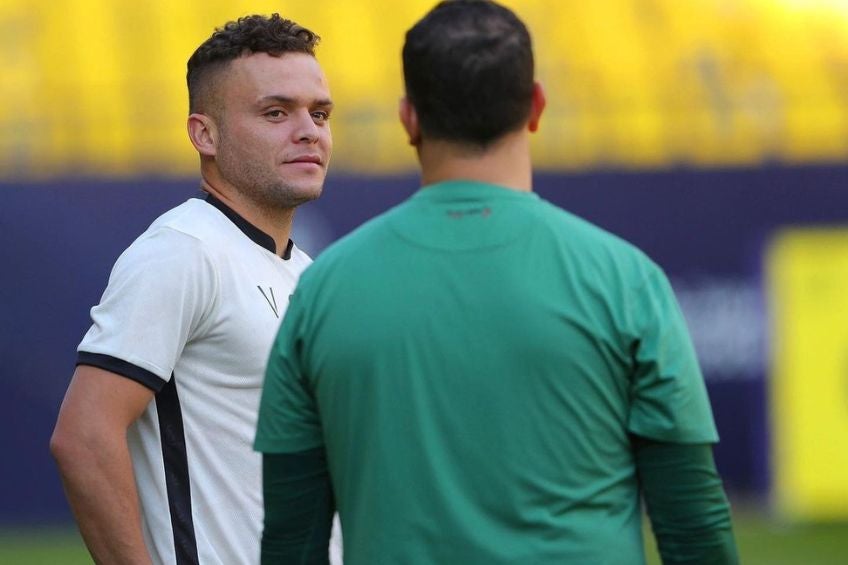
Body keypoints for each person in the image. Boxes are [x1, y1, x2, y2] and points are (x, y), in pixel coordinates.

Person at [253, 1, 740, 564]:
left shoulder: (322, 291)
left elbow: (292, 539)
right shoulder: (626, 279)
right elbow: (693, 524)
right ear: (536, 106)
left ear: (409, 118)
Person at [49, 13, 339, 565]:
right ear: (204, 133)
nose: (308, 130)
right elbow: (83, 437)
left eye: (319, 113)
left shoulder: (306, 272)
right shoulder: (183, 251)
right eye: (276, 112)